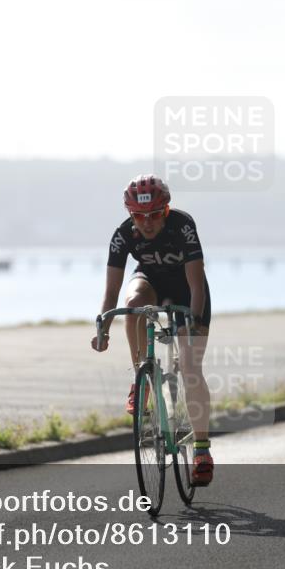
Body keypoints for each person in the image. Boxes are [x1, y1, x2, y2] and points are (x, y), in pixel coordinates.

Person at [91, 175, 214, 486]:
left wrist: (196, 323)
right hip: (150, 282)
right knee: (132, 304)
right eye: (138, 216)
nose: (146, 223)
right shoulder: (122, 236)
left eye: (154, 215)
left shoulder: (182, 225)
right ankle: (140, 379)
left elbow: (196, 283)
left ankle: (201, 450)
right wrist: (103, 325)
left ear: (166, 210)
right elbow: (112, 291)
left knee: (190, 368)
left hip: (187, 289)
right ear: (130, 214)